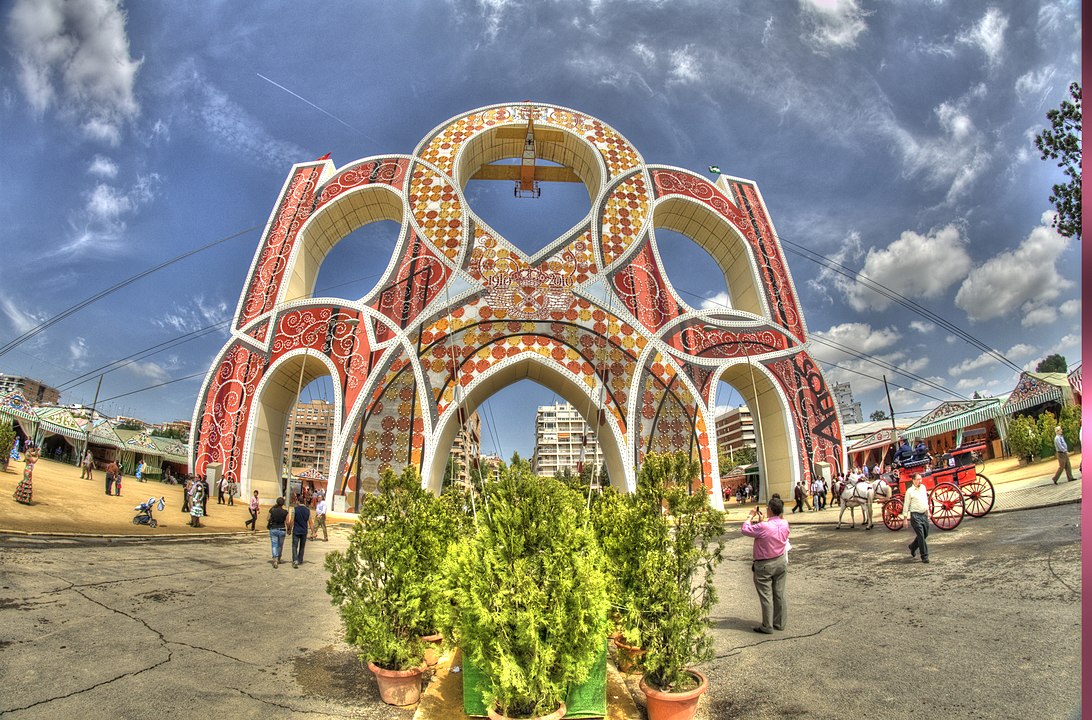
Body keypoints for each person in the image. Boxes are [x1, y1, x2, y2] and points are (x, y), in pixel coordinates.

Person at [741, 495, 790, 633]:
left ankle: (767, 625)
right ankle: (779, 622)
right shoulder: (784, 523)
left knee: (766, 595)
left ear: (769, 510)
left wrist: (750, 517)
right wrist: (763, 521)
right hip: (780, 561)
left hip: (765, 564)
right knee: (779, 593)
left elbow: (745, 529)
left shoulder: (764, 526)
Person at [902, 472, 930, 563]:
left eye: (920, 479)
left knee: (925, 534)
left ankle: (912, 547)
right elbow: (906, 505)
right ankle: (924, 556)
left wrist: (928, 512)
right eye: (917, 480)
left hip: (924, 514)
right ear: (913, 480)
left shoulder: (923, 488)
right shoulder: (909, 491)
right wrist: (905, 518)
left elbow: (926, 500)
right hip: (915, 516)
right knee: (921, 536)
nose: (919, 481)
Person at [288, 496, 313, 568]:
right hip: (304, 531)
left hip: (296, 530)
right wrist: (313, 532)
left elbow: (292, 520)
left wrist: (289, 529)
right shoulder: (308, 510)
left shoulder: (294, 509)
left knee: (294, 546)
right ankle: (300, 559)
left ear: (298, 501)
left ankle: (295, 560)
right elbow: (310, 522)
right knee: (302, 546)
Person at [267, 497, 289, 568]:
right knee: (280, 545)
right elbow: (287, 522)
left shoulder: (272, 510)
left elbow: (267, 518)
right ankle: (279, 558)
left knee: (274, 544)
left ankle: (275, 559)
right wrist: (289, 529)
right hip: (282, 529)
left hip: (273, 528)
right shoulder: (285, 512)